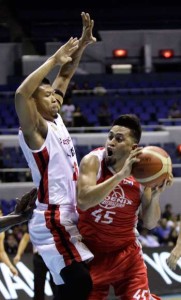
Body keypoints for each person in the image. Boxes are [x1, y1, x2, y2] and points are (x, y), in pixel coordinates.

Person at [14, 12, 96, 300]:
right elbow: (20, 96)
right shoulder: (34, 130)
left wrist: (83, 45)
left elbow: (65, 74)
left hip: (69, 213)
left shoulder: (56, 118)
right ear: (36, 104)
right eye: (48, 95)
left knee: (71, 286)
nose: (55, 97)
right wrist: (52, 60)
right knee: (80, 283)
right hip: (52, 218)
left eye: (55, 95)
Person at [76, 114, 173, 300]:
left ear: (133, 148)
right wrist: (120, 176)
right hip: (90, 253)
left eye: (119, 139)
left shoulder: (143, 175)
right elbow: (83, 201)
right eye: (110, 136)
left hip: (126, 254)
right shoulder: (92, 161)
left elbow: (150, 223)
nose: (111, 142)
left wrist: (156, 196)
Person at [14, 231, 57, 300]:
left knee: (57, 285)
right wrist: (18, 254)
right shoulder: (32, 220)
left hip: (54, 256)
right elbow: (25, 238)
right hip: (39, 257)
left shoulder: (53, 220)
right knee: (38, 286)